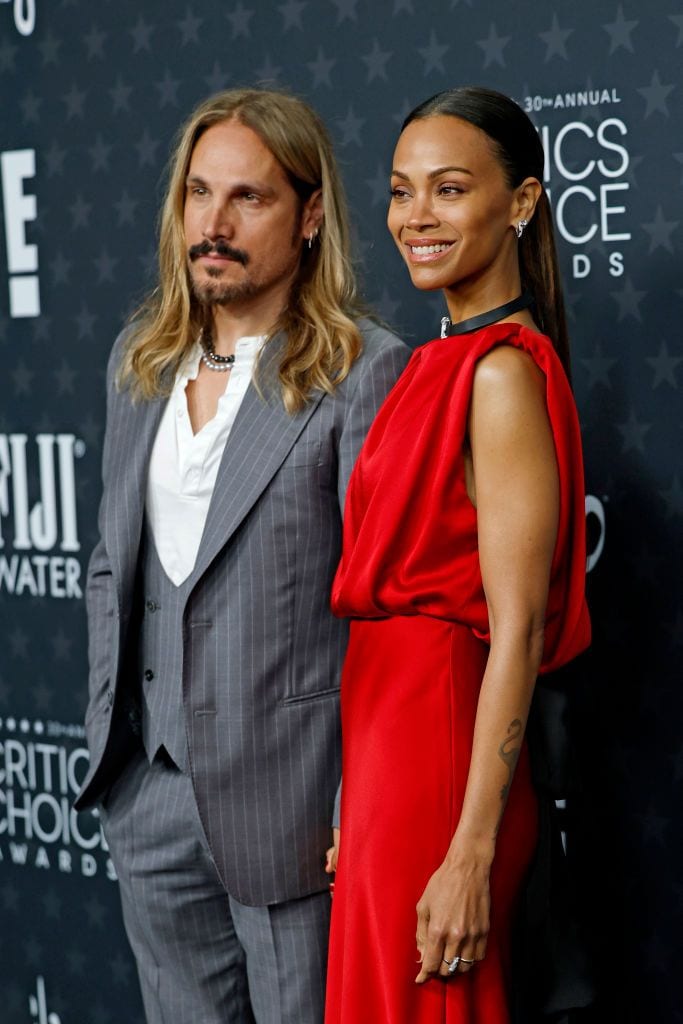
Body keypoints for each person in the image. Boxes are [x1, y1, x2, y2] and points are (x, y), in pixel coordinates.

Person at [74, 88, 408, 1024]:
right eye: (197, 193)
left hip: (297, 813)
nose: (212, 225)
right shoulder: (138, 363)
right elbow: (113, 565)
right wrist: (119, 755)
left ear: (309, 216)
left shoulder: (360, 371)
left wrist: (358, 799)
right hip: (150, 797)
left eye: (247, 199)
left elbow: (385, 610)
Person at [325, 86, 591, 1023]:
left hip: (442, 767)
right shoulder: (432, 363)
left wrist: (470, 848)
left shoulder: (503, 375)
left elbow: (516, 634)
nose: (415, 219)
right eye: (401, 193)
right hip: (390, 765)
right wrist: (358, 802)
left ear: (520, 202)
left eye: (447, 189)